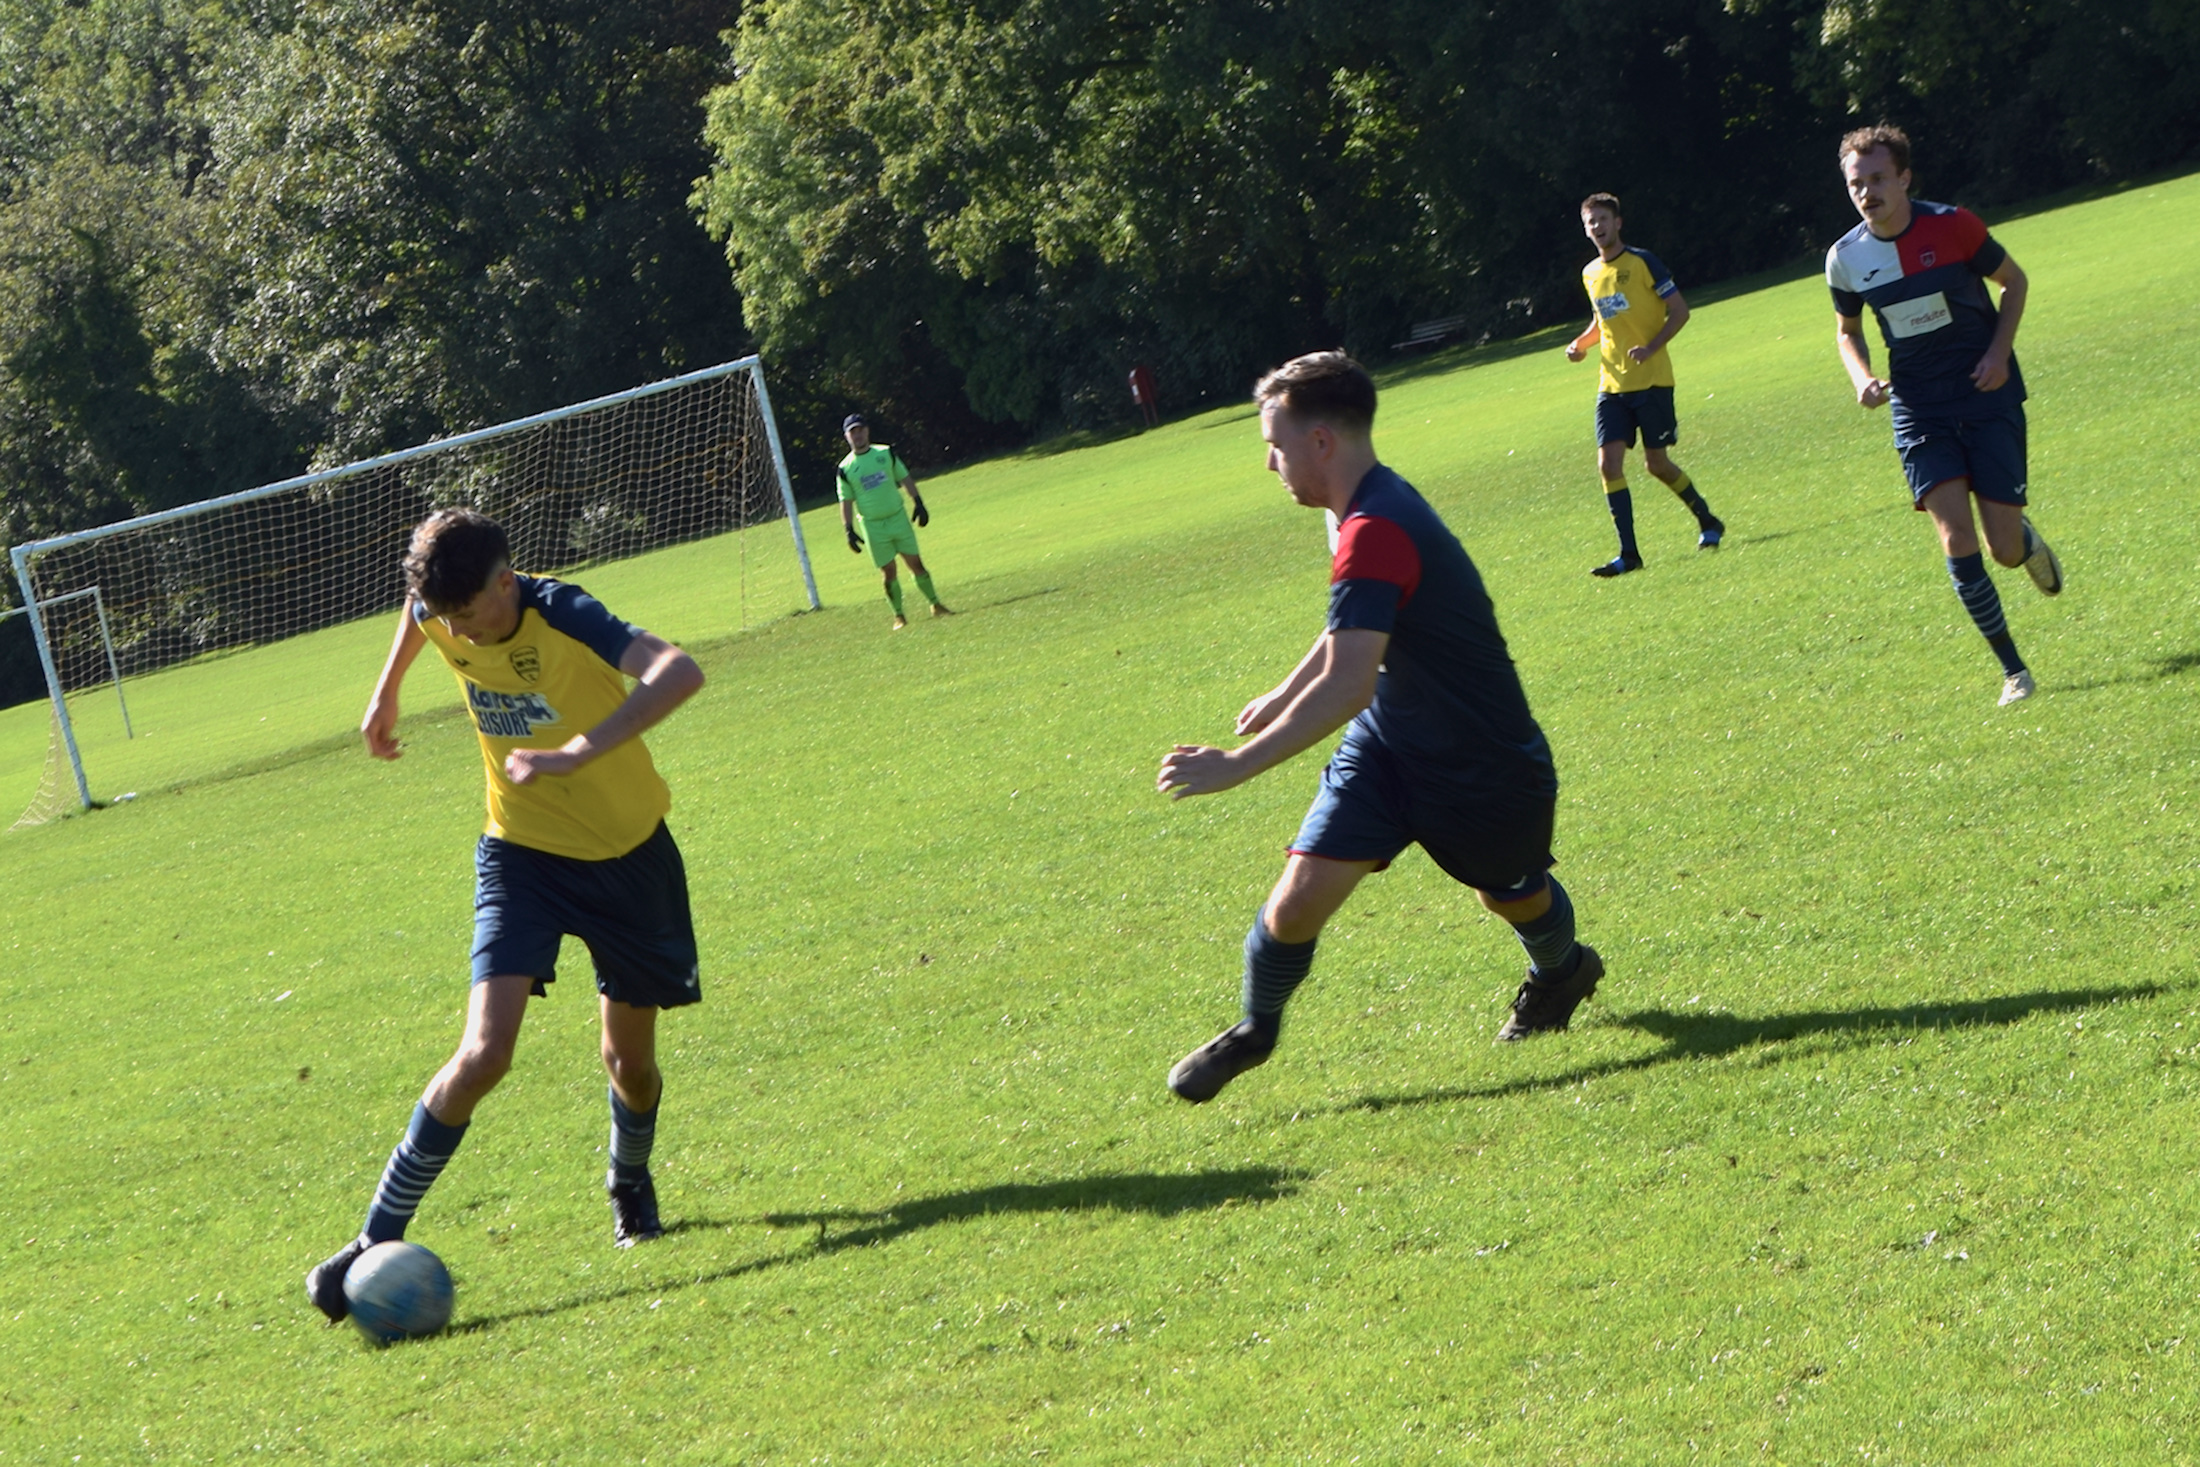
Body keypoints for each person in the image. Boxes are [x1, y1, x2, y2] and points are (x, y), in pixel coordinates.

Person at [1156, 351, 1602, 1104]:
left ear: (1321, 440)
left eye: (1275, 443)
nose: (1270, 463)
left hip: (1483, 763)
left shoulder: (1376, 525)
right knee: (1294, 902)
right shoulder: (1350, 514)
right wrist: (1283, 689)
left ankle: (1563, 971)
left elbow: (1348, 683)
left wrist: (1237, 763)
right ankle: (1255, 1030)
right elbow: (1352, 632)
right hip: (1390, 747)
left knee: (1512, 896)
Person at [307, 508, 706, 1324]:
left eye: (474, 614)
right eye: (449, 620)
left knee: (629, 1063)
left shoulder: (566, 613)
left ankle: (628, 1180)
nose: (464, 633)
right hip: (520, 854)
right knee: (484, 1052)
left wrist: (578, 751)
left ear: (506, 579)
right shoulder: (445, 607)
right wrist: (385, 694)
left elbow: (679, 670)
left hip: (630, 859)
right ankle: (371, 1237)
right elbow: (418, 615)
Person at [1826, 125, 2061, 706]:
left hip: (1986, 393)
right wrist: (1862, 379)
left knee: (2001, 549)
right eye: (1857, 183)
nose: (1868, 192)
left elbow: (2014, 283)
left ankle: (2024, 543)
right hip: (1918, 406)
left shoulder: (1953, 225)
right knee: (1956, 537)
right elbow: (1847, 332)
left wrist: (1998, 353)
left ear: (1904, 178)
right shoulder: (1845, 258)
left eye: (1879, 179)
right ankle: (2014, 672)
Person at [1565, 193, 1725, 576]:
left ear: (1618, 222)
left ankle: (1707, 520)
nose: (1598, 227)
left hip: (1652, 382)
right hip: (1611, 385)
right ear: (1586, 229)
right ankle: (1629, 555)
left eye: (1604, 219)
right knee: (1608, 464)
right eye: (1591, 222)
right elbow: (1601, 321)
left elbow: (1680, 310)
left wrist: (1651, 347)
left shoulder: (1642, 262)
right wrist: (1580, 345)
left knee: (1657, 464)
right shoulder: (1589, 273)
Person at [837, 413, 951, 629]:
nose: (858, 435)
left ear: (867, 431)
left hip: (898, 518)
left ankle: (936, 605)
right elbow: (846, 500)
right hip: (873, 526)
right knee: (888, 571)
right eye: (853, 432)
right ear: (846, 436)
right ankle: (899, 616)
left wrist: (918, 502)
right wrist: (848, 529)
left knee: (916, 563)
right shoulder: (845, 468)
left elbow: (904, 477)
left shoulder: (885, 453)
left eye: (860, 429)